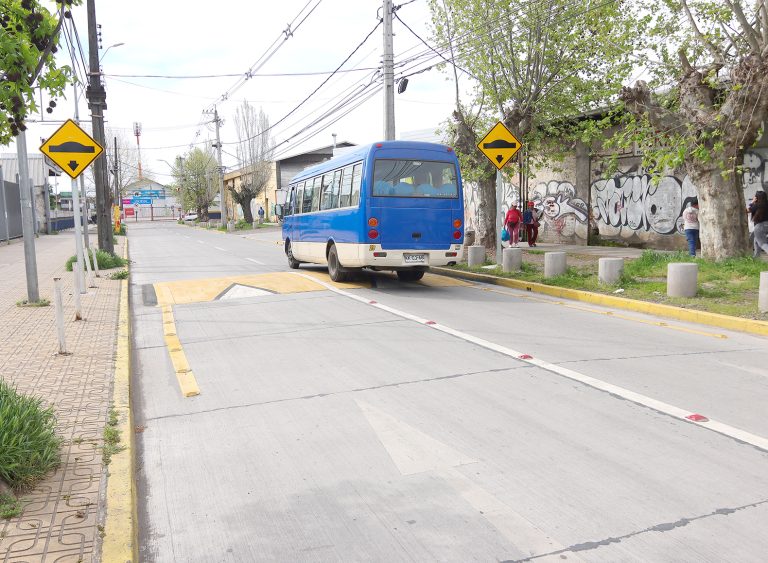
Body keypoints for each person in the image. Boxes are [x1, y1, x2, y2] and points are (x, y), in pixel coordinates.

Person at [750, 191, 768, 258]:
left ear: (757, 198)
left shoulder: (757, 205)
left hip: (759, 226)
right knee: (756, 241)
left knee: (762, 243)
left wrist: (752, 202)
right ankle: (756, 258)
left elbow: (747, 210)